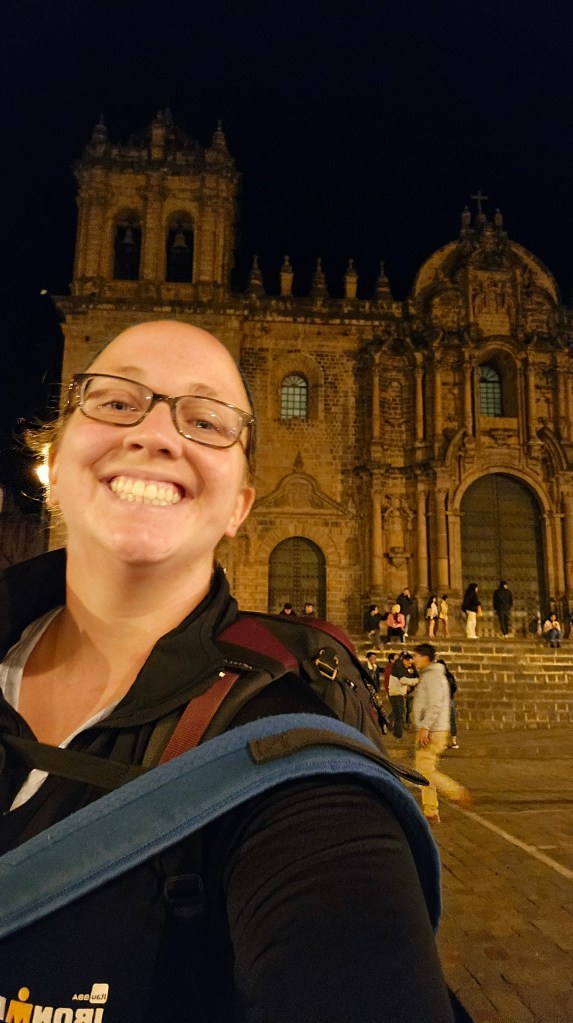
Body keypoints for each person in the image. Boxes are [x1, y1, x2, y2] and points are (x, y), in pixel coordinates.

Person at [0, 320, 457, 1021]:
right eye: (117, 402)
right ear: (53, 466)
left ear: (240, 504)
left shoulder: (286, 760)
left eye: (206, 420)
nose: (155, 433)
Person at [412, 644, 472, 824]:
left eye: (416, 656)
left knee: (424, 769)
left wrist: (425, 727)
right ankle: (430, 811)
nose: (414, 660)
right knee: (424, 768)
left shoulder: (433, 677)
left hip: (433, 730)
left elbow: (435, 704)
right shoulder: (430, 675)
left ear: (425, 657)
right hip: (430, 728)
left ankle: (455, 792)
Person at [437, 657, 459, 749]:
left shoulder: (439, 677)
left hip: (444, 700)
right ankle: (451, 741)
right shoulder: (448, 676)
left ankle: (449, 741)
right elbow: (454, 687)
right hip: (447, 699)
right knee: (449, 720)